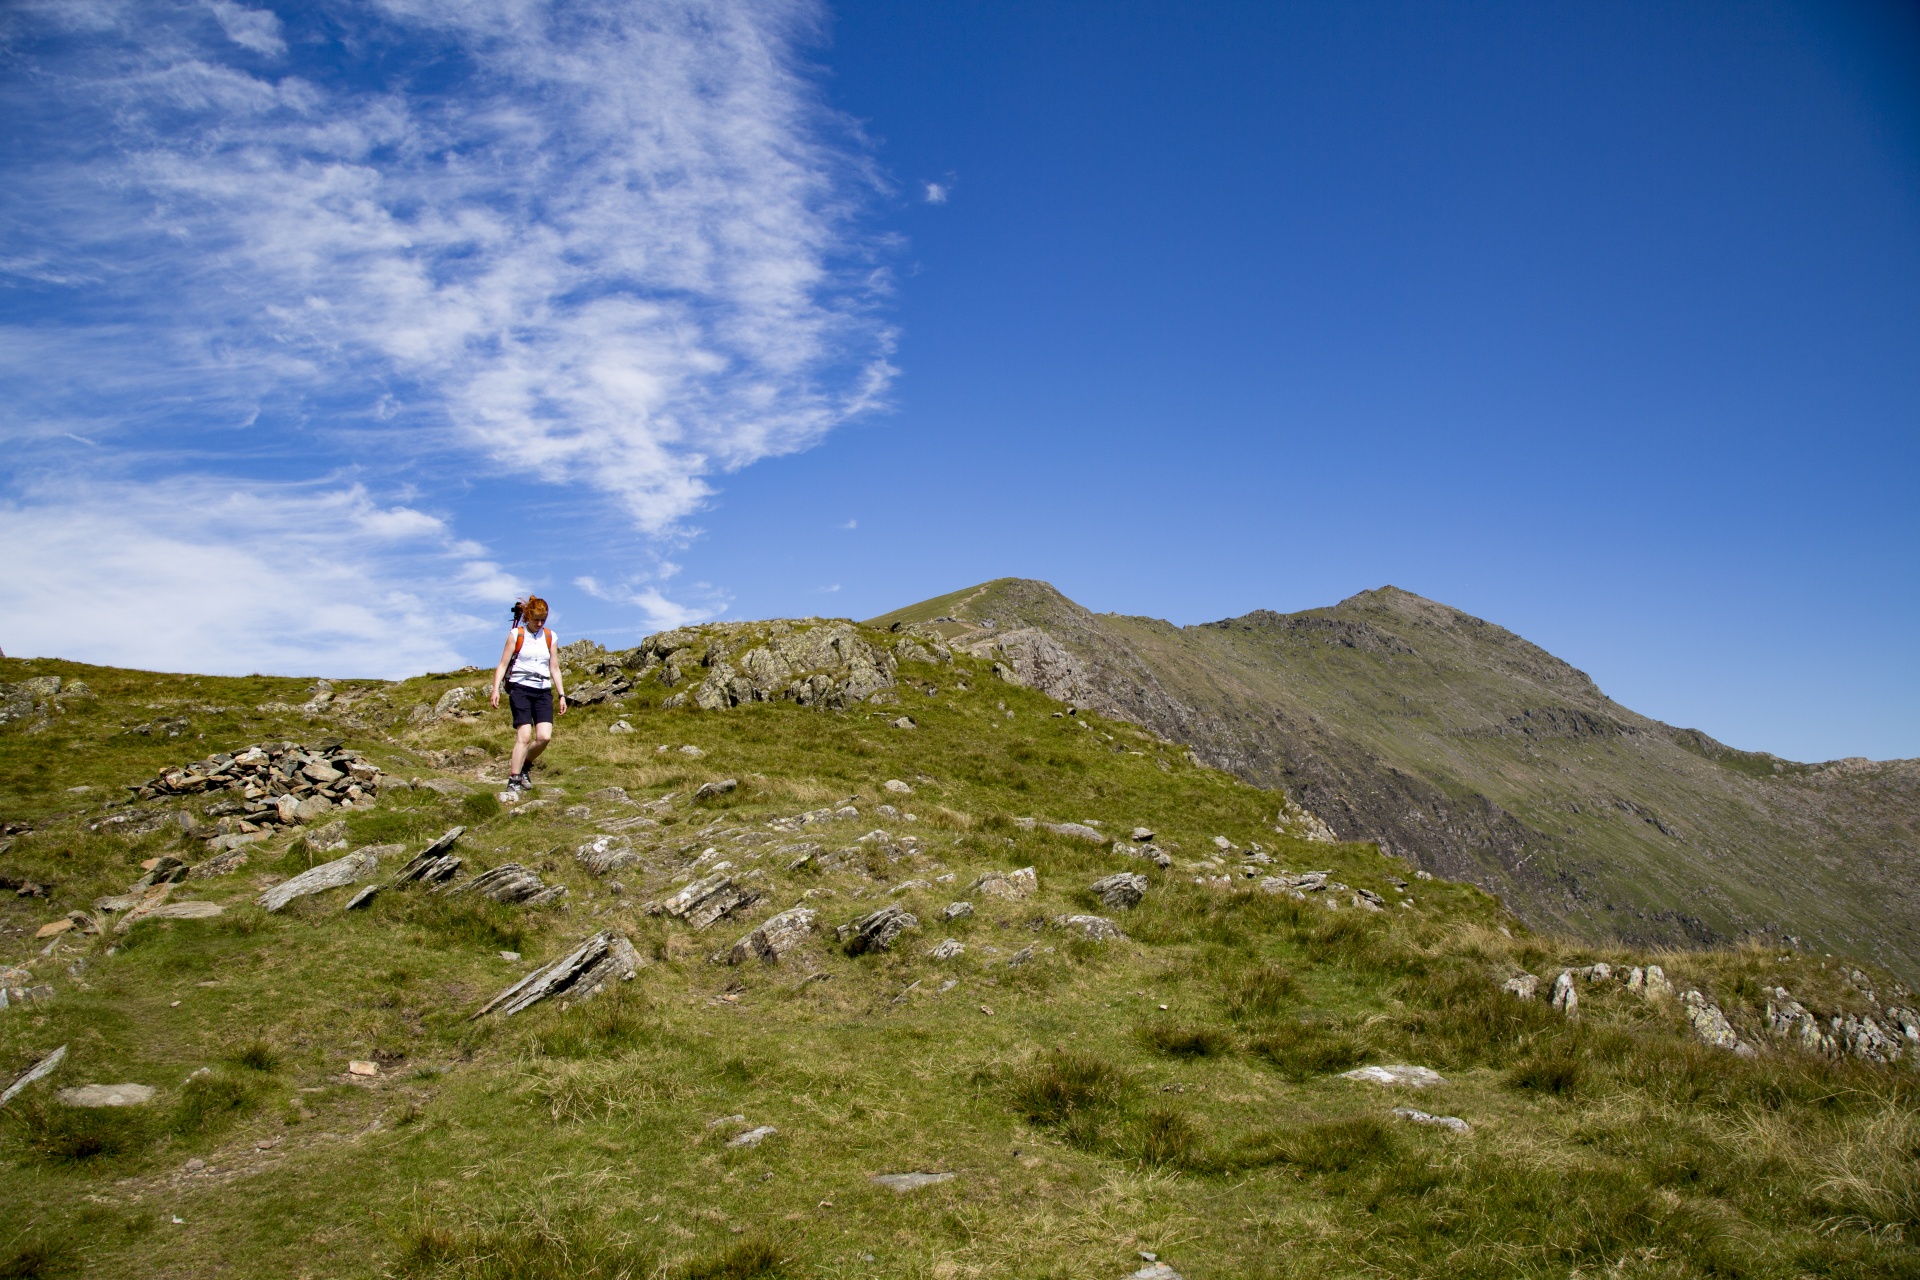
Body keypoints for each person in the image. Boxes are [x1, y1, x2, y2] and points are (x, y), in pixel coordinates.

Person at [489, 596, 567, 792]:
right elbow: (503, 664)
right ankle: (513, 780)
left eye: (543, 620)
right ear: (528, 616)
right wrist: (495, 689)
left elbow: (554, 668)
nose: (539, 624)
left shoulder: (550, 637)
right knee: (524, 736)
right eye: (536, 620)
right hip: (520, 688)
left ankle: (524, 766)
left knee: (544, 737)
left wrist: (561, 695)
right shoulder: (516, 634)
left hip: (542, 690)